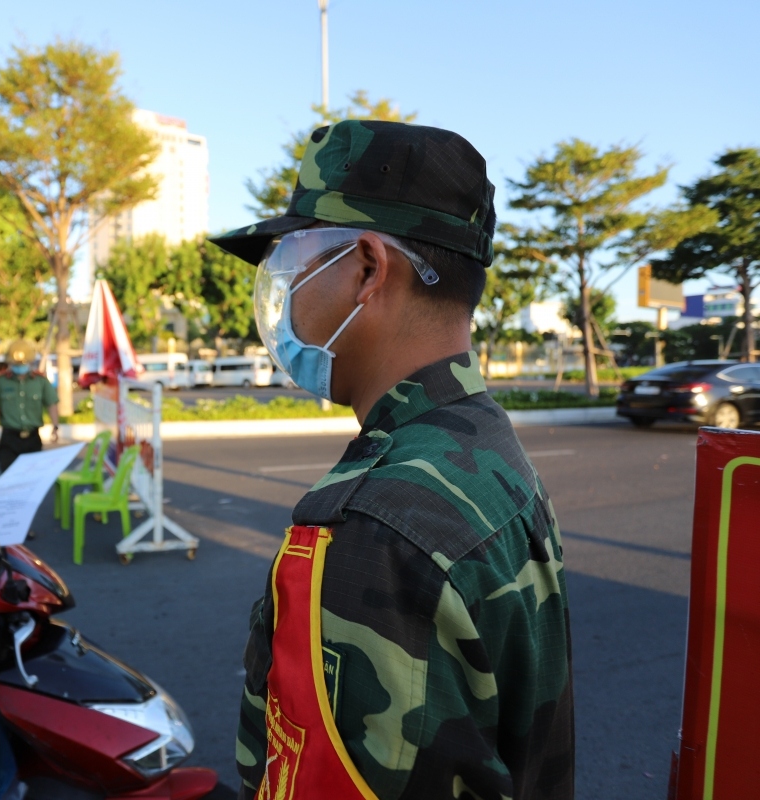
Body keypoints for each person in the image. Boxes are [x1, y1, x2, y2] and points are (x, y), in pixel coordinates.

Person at [210, 121, 573, 800]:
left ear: (368, 269)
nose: (277, 299)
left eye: (290, 266)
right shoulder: (488, 450)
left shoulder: (374, 525)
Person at [0, 339, 60, 472]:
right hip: (9, 438)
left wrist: (55, 426)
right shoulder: (1, 382)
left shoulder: (40, 382)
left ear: (31, 362)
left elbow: (51, 404)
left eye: (23, 363)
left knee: (30, 479)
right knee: (8, 478)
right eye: (16, 364)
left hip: (32, 438)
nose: (20, 367)